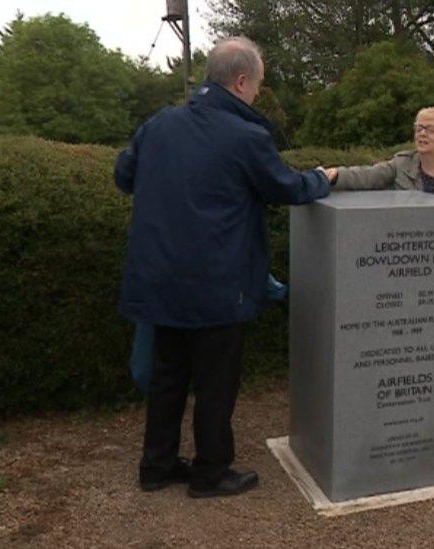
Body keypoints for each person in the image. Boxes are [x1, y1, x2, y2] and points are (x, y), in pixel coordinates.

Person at [114, 36, 331, 498]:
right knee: (215, 384)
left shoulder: (159, 124)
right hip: (217, 285)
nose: (256, 95)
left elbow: (123, 176)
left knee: (168, 376)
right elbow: (285, 188)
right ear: (239, 81)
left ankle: (157, 466)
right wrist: (322, 178)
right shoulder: (247, 136)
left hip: (159, 280)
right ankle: (210, 474)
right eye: (257, 85)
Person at [325, 105, 434, 440]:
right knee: (405, 338)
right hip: (406, 273)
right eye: (419, 127)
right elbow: (368, 176)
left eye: (431, 129)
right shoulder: (401, 164)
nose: (422, 133)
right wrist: (334, 175)